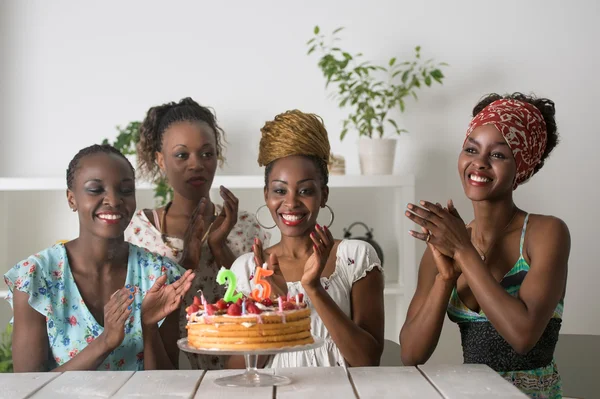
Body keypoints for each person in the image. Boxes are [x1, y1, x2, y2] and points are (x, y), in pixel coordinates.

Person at [401, 93, 569, 398]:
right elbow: (411, 355)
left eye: (499, 155)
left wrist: (465, 253)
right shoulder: (448, 243)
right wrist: (446, 277)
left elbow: (523, 335)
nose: (479, 163)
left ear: (523, 168)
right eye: (471, 149)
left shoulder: (546, 233)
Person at [4, 144, 194, 372]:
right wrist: (105, 342)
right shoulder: (36, 278)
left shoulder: (160, 275)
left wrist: (149, 328)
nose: (113, 200)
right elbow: (28, 387)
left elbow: (167, 385)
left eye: (125, 190)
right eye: (95, 189)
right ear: (71, 199)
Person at [230, 110, 385, 368]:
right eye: (280, 190)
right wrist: (275, 305)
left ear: (323, 195)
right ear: (266, 194)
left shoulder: (356, 257)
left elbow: (367, 360)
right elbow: (238, 368)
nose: (291, 202)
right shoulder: (247, 269)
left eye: (305, 191)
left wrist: (313, 288)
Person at [125, 97, 269, 369]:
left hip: (237, 367)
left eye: (207, 153)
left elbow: (261, 303)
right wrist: (188, 256)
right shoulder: (141, 230)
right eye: (182, 155)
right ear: (161, 160)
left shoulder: (243, 225)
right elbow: (138, 316)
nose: (197, 164)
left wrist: (218, 246)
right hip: (164, 369)